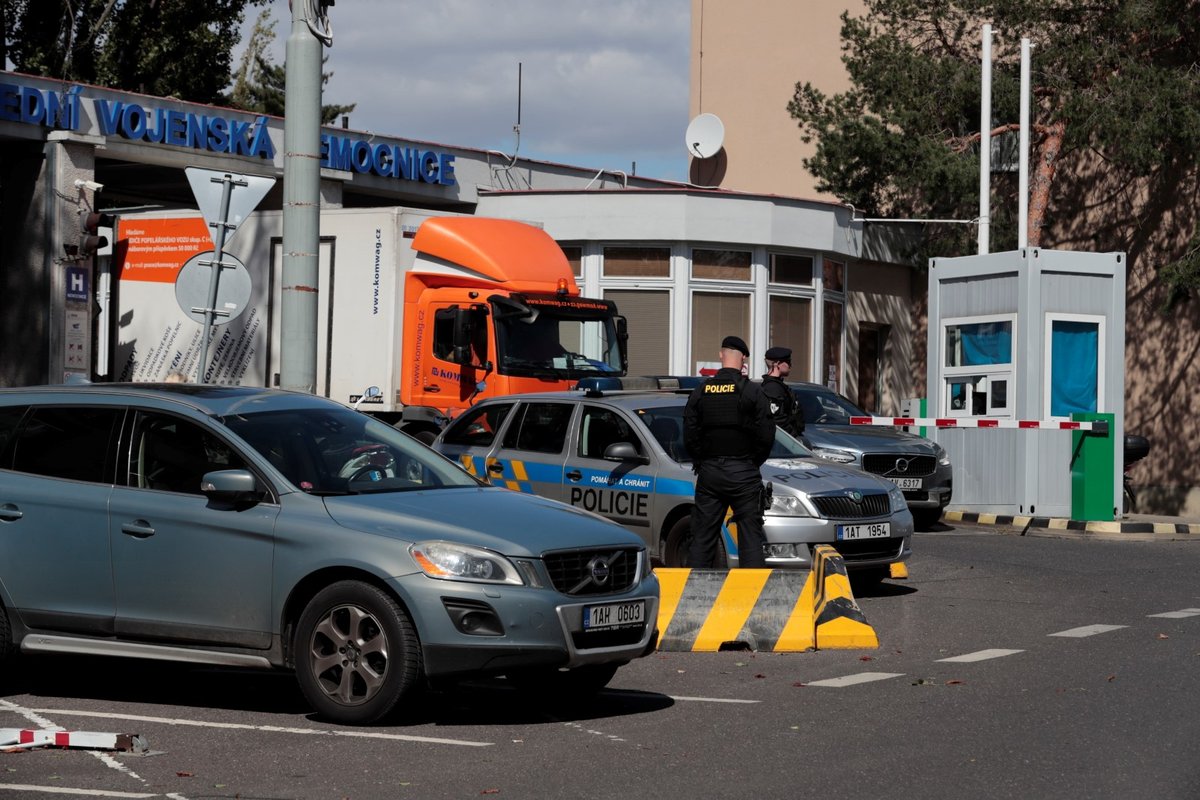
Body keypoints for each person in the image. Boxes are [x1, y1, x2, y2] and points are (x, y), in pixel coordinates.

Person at [683, 335, 775, 568]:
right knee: (750, 538)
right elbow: (766, 434)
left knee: (702, 538)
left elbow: (689, 432)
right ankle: (753, 597)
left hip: (710, 472)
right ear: (743, 358)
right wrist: (751, 463)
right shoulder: (752, 392)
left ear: (721, 355)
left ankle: (694, 597)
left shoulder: (702, 390)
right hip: (743, 472)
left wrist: (702, 461)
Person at [760, 346, 803, 438]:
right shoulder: (772, 388)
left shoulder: (778, 386)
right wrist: (794, 438)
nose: (790, 365)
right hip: (781, 443)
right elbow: (778, 420)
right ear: (777, 364)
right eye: (788, 362)